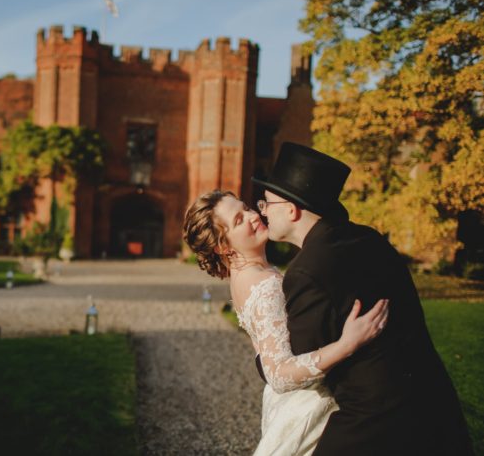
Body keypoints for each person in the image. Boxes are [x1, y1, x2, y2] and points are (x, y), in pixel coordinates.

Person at [252, 142, 474, 455]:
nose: (262, 210)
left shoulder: (306, 271)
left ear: (292, 210)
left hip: (374, 418)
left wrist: (263, 346)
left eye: (267, 203)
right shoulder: (369, 238)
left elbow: (300, 365)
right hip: (432, 397)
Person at [183, 190, 389, 455]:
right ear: (222, 246)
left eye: (246, 208)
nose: (253, 216)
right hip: (306, 405)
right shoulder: (262, 284)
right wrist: (347, 344)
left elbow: (266, 349)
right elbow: (279, 375)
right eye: (238, 220)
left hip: (287, 401)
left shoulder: (247, 275)